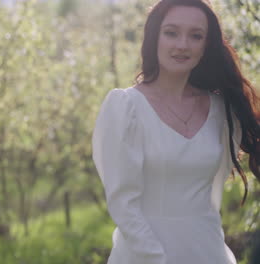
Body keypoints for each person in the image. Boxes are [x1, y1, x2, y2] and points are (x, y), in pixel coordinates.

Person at [91, 0, 260, 263]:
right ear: (154, 37)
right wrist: (155, 258)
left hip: (209, 253)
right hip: (143, 256)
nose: (182, 44)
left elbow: (213, 195)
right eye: (171, 32)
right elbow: (123, 204)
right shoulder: (125, 107)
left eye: (196, 36)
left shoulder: (223, 112)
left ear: (206, 45)